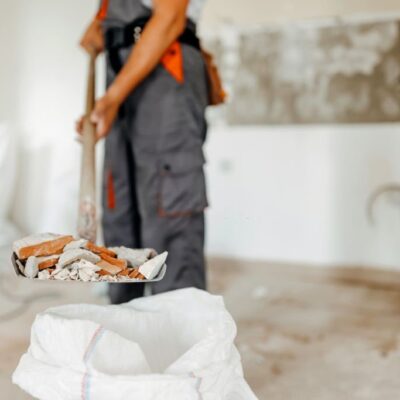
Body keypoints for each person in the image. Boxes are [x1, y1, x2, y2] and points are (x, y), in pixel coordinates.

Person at [76, 0, 209, 304]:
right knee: (120, 208)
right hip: (120, 70)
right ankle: (127, 327)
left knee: (168, 210)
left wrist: (110, 101)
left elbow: (170, 16)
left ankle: (179, 334)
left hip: (165, 64)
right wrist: (102, 25)